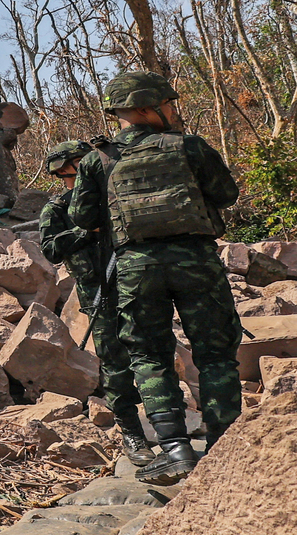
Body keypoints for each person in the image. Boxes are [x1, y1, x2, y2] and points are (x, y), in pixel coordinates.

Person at [69, 71, 242, 486]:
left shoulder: (96, 160)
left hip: (136, 267)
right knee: (215, 354)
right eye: (168, 104)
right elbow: (226, 194)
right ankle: (225, 447)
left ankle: (176, 451)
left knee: (149, 357)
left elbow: (81, 217)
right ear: (147, 107)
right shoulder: (189, 146)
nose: (172, 110)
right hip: (196, 260)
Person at [37, 139, 153, 465]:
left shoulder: (113, 198)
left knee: (152, 351)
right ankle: (132, 432)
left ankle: (168, 424)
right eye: (79, 164)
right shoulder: (57, 209)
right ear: (64, 169)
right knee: (114, 362)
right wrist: (87, 232)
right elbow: (51, 249)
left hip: (136, 284)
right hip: (97, 291)